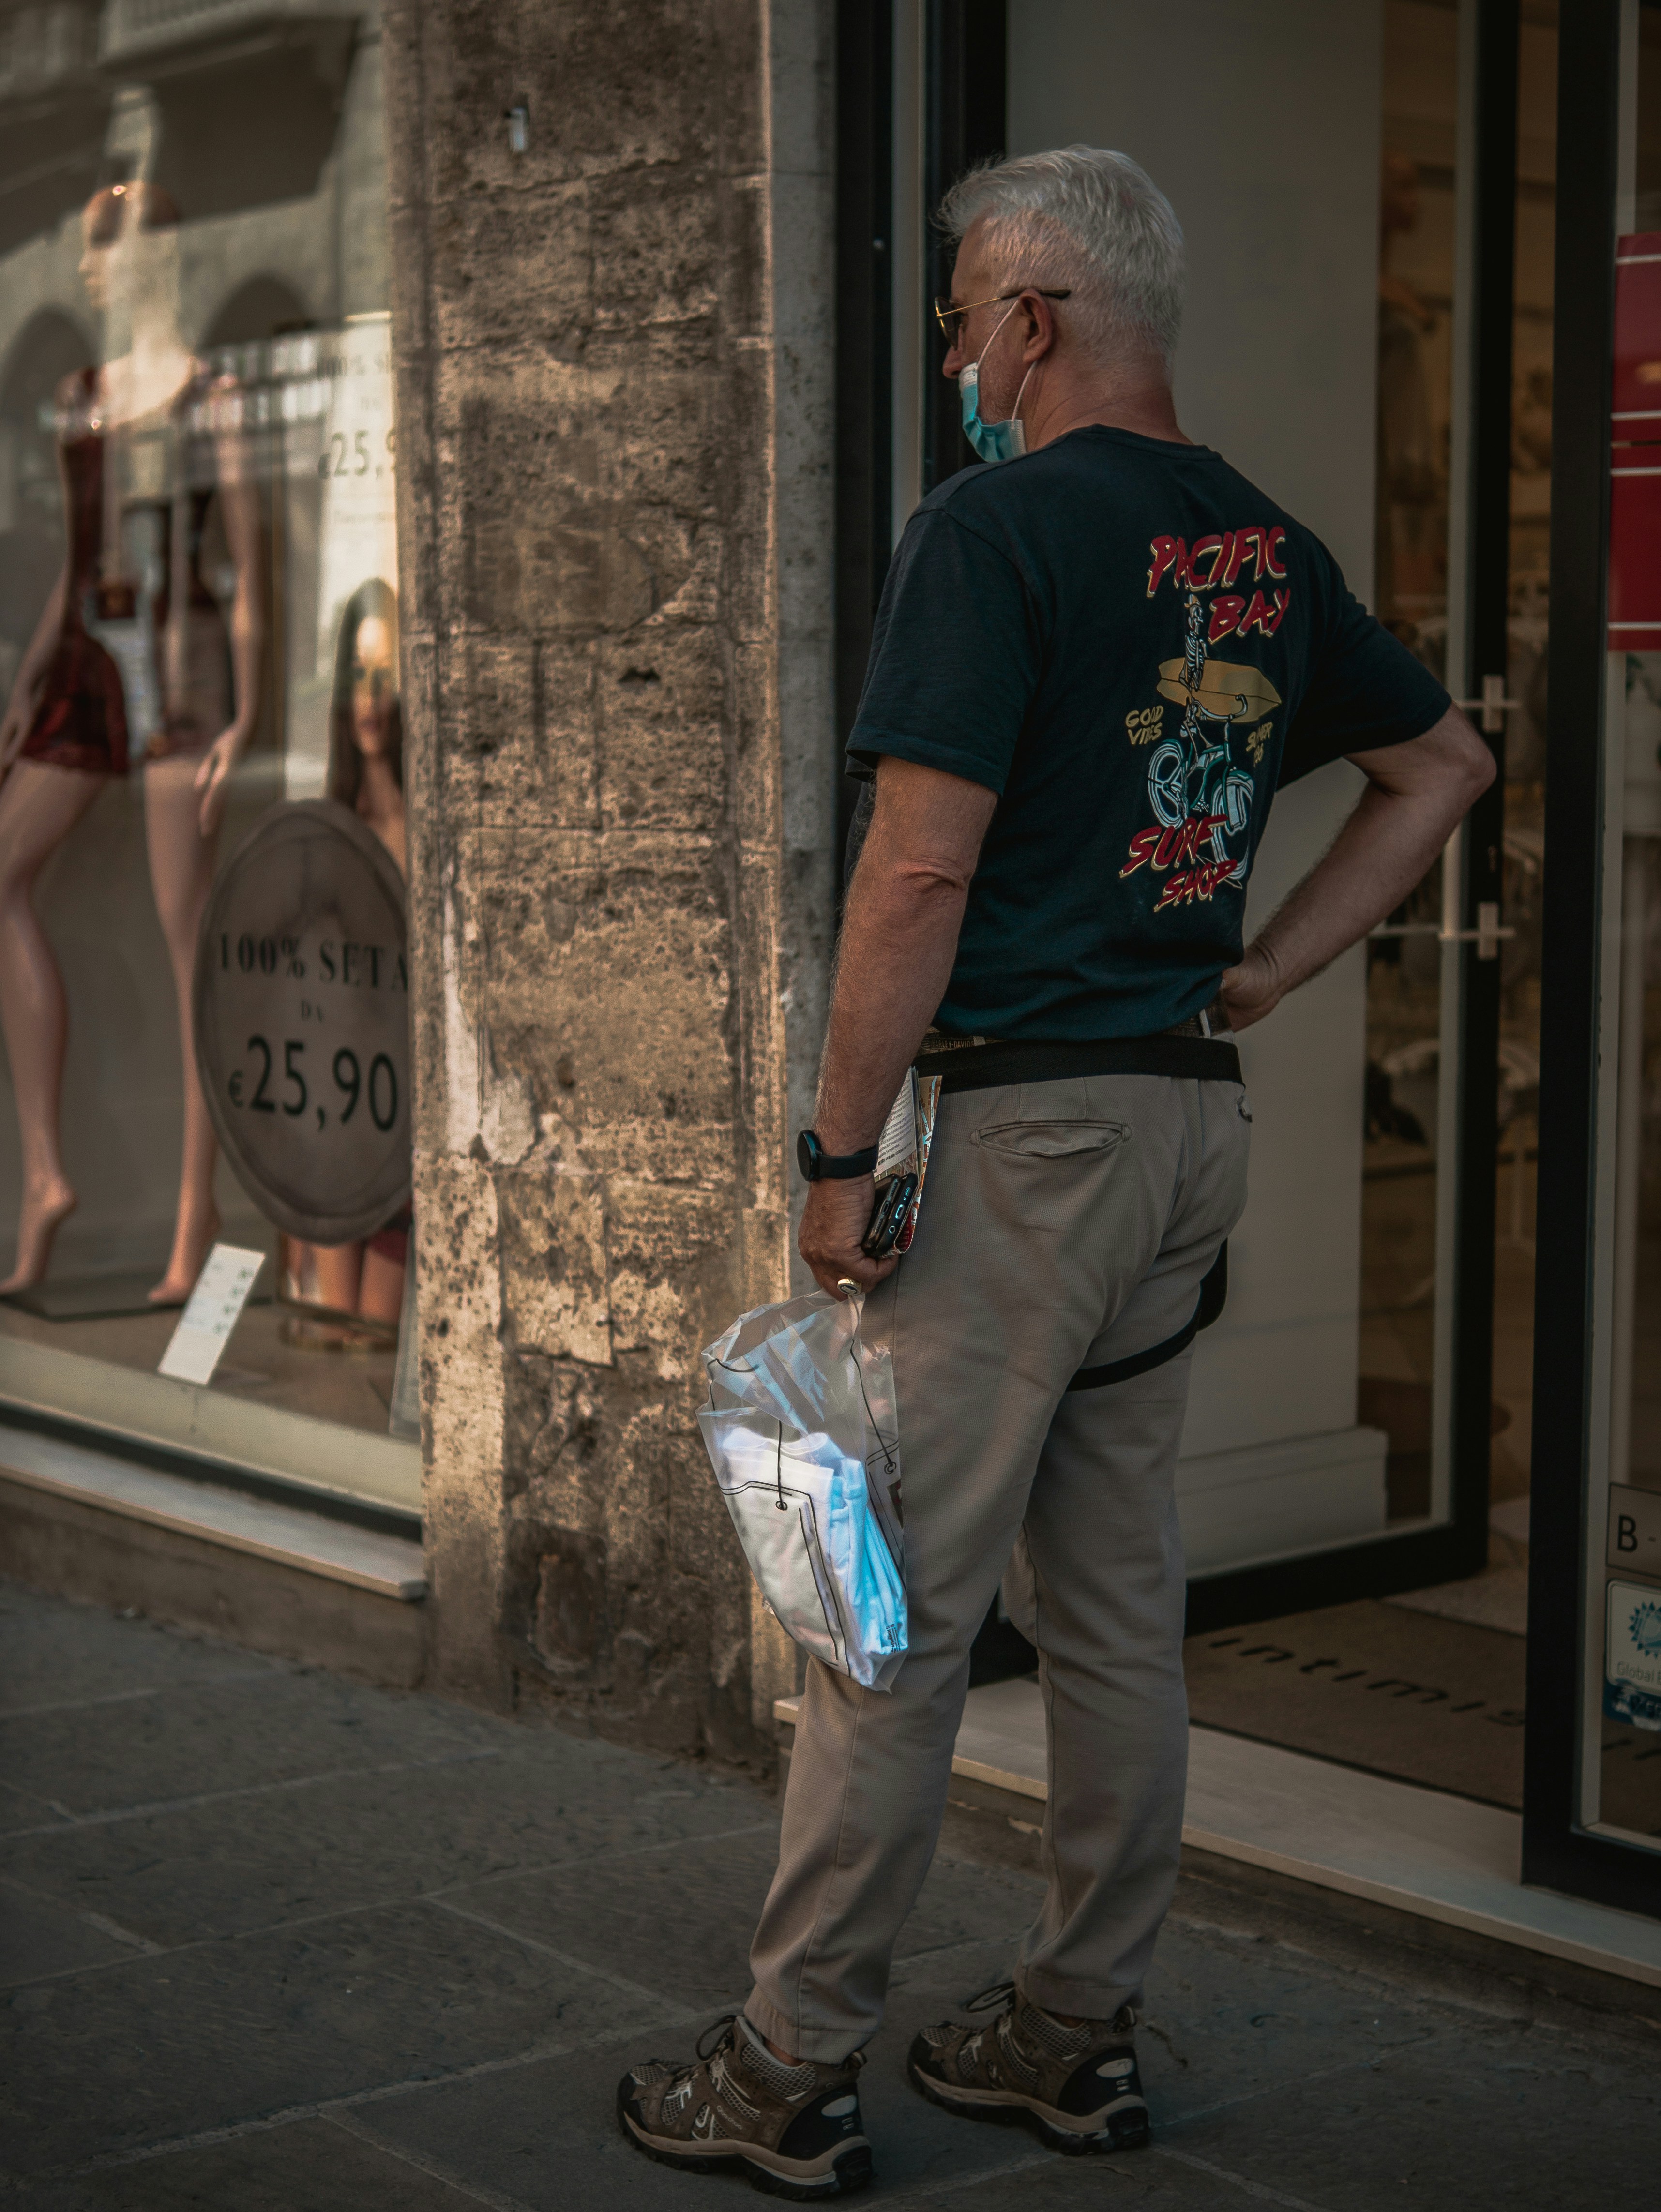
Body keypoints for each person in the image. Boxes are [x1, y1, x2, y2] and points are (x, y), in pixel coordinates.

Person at [618, 147, 1493, 2197]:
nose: (962, 366)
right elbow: (1444, 764)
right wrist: (1264, 961)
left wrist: (839, 1157)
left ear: (1028, 316)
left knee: (889, 1613)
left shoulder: (994, 528)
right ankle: (1076, 2034)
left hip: (1026, 1140)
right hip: (1184, 1123)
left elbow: (918, 868)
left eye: (962, 326)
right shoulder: (1263, 551)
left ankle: (789, 2061)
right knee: (1113, 1608)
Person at [0, 179, 261, 1302]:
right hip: (88, 663)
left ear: (151, 254)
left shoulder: (214, 395)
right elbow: (75, 555)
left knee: (185, 946)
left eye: (105, 247)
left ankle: (195, 1222)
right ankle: (47, 1175)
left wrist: (249, 713)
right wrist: (27, 679)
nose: (91, 268)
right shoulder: (79, 398)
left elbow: (249, 569)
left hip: (178, 668)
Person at [278, 579, 409, 1334]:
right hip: (332, 1120)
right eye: (358, 675)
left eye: (385, 676)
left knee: (373, 1334)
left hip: (398, 1128)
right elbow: (304, 1002)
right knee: (332, 1334)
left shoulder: (424, 824)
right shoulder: (330, 824)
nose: (371, 697)